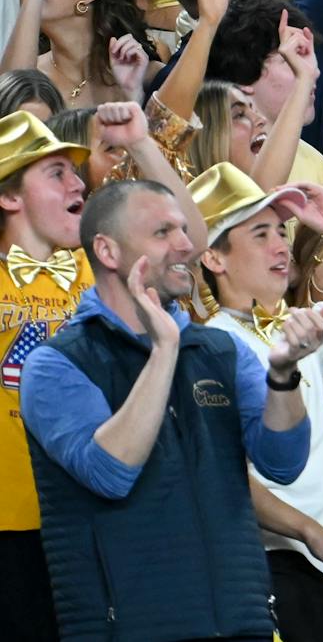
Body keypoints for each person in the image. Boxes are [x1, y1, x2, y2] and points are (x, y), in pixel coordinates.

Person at [20, 173, 320, 642]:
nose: (186, 245)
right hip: (126, 630)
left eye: (183, 229)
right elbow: (110, 472)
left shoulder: (220, 350)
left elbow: (283, 464)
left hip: (243, 622)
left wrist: (283, 377)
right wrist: (163, 351)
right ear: (108, 251)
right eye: (163, 232)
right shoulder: (55, 364)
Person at [0, 104, 191, 642]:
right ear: (9, 197)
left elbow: (186, 239)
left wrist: (143, 144)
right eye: (55, 172)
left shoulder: (101, 266)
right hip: (9, 517)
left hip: (106, 503)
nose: (76, 180)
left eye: (75, 170)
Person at [192, 165, 323, 642]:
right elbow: (228, 478)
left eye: (282, 232)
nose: (281, 246)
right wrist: (313, 533)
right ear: (214, 259)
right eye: (260, 234)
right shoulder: (210, 347)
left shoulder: (299, 329)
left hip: (317, 561)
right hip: (264, 565)